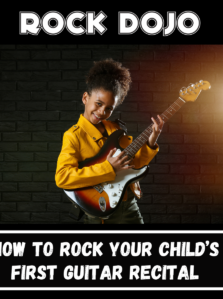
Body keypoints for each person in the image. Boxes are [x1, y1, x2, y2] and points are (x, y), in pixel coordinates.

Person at [55, 59, 164, 224]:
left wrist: (151, 141)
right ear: (85, 97)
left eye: (108, 108)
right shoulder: (73, 136)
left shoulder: (116, 129)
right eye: (98, 104)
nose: (101, 112)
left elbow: (134, 164)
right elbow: (62, 177)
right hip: (100, 212)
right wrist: (108, 167)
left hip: (129, 205)